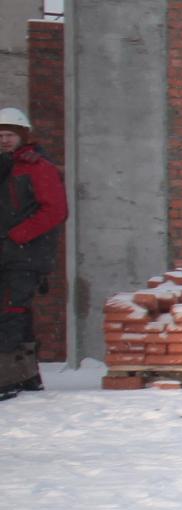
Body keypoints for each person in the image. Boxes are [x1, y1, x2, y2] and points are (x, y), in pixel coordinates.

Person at [0, 106, 63, 399]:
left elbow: (55, 210)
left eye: (9, 135)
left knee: (9, 310)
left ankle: (5, 379)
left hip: (25, 253)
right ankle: (26, 376)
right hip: (9, 251)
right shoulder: (4, 167)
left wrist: (17, 236)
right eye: (0, 135)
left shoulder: (37, 167)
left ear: (23, 136)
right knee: (18, 311)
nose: (4, 140)